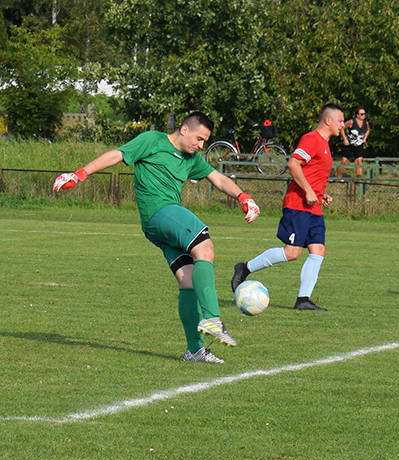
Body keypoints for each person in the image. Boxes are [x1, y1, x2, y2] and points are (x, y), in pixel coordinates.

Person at [53, 111, 260, 364]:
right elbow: (116, 155)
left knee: (189, 281)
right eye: (199, 138)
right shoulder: (152, 140)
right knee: (205, 248)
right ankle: (212, 318)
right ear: (184, 129)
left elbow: (217, 178)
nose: (201, 145)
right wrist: (79, 174)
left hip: (159, 225)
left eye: (204, 141)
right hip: (160, 212)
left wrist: (244, 197)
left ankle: (194, 351)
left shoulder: (191, 158)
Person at [231, 103, 345, 311]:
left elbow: (311, 174)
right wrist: (309, 192)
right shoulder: (312, 139)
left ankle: (303, 299)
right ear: (327, 121)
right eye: (340, 121)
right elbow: (293, 164)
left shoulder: (326, 145)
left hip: (314, 208)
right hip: (298, 206)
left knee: (318, 250)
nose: (342, 125)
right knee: (292, 253)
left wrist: (320, 193)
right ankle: (245, 268)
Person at [336, 106, 370, 178]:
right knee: (344, 161)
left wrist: (365, 138)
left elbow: (368, 130)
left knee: (359, 161)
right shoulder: (351, 122)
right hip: (349, 144)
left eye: (364, 114)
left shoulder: (366, 123)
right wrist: (345, 139)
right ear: (357, 115)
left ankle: (358, 179)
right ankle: (337, 177)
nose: (363, 115)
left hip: (358, 144)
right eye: (361, 114)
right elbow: (342, 128)